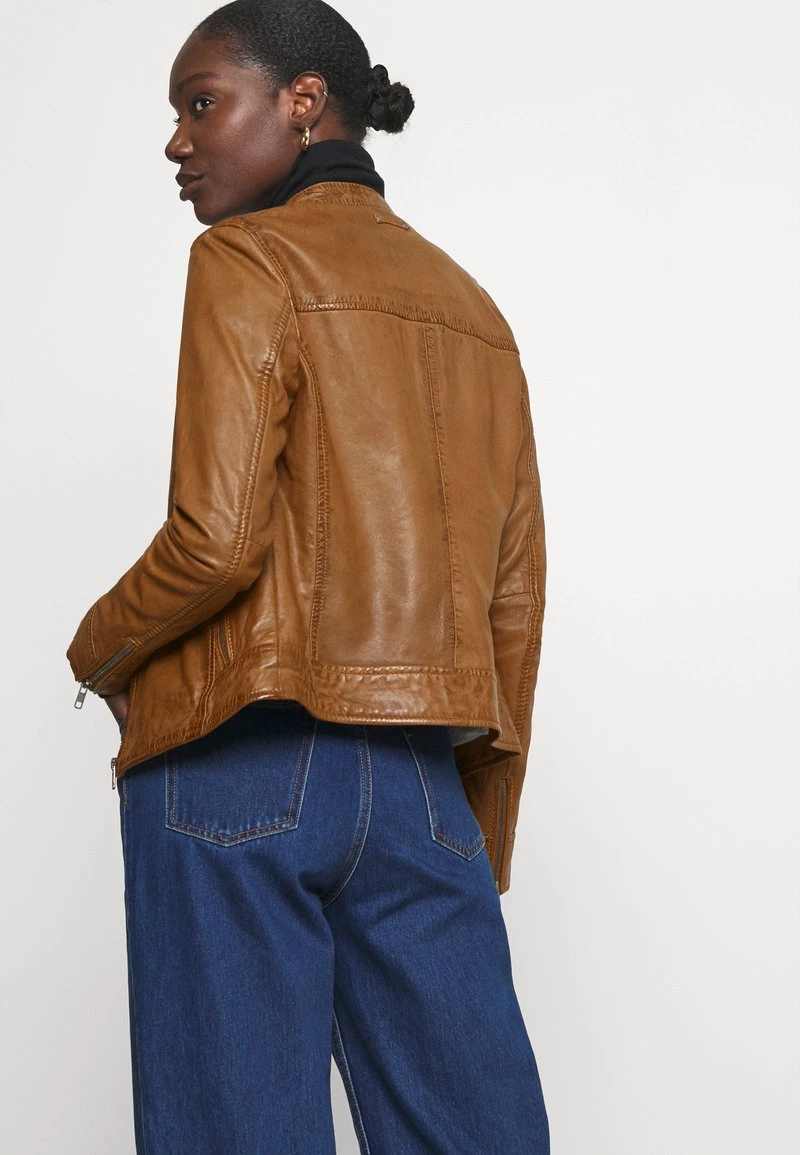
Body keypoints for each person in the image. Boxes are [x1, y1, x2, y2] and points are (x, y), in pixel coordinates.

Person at [66, 1, 549, 1151]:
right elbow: (513, 601)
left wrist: (96, 653)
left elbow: (216, 541)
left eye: (200, 104)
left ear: (302, 101)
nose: (177, 141)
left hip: (241, 761)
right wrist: (476, 831)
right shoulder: (473, 310)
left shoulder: (244, 257)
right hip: (424, 787)